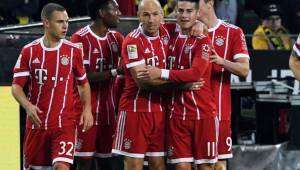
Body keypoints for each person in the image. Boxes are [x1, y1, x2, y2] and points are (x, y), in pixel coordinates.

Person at [11, 3, 93, 170]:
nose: (65, 26)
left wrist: (87, 109)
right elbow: (16, 87)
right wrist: (27, 106)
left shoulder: (73, 51)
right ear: (46, 23)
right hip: (37, 125)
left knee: (61, 167)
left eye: (67, 22)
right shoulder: (29, 51)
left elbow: (83, 83)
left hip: (64, 124)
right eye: (60, 22)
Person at [138, 0, 218, 169]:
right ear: (174, 12)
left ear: (197, 14)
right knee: (181, 167)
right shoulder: (168, 33)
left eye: (189, 11)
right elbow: (148, 23)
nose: (184, 15)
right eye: (180, 10)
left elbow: (195, 73)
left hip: (202, 114)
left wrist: (161, 72)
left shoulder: (203, 40)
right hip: (176, 115)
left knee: (205, 167)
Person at [70, 0, 124, 169]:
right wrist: (116, 72)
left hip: (109, 112)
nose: (119, 13)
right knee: (85, 162)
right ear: (101, 12)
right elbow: (84, 77)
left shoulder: (117, 38)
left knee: (107, 162)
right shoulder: (79, 37)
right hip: (85, 112)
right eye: (115, 9)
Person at [197, 0, 250, 170]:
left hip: (219, 112)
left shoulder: (233, 32)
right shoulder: (183, 32)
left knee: (218, 165)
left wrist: (220, 61)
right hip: (189, 113)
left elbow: (243, 69)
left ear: (209, 3)